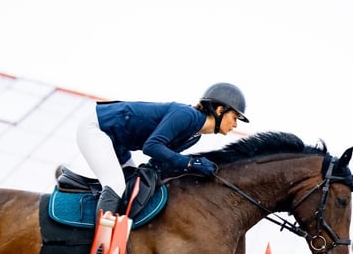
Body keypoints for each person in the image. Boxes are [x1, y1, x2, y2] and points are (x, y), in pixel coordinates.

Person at [76, 82, 249, 223]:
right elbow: (151, 147)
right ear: (220, 110)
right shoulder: (186, 115)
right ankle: (96, 246)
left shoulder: (195, 136)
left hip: (118, 145)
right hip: (97, 128)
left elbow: (159, 162)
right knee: (116, 185)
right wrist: (189, 163)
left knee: (133, 188)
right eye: (234, 117)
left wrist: (192, 170)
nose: (235, 124)